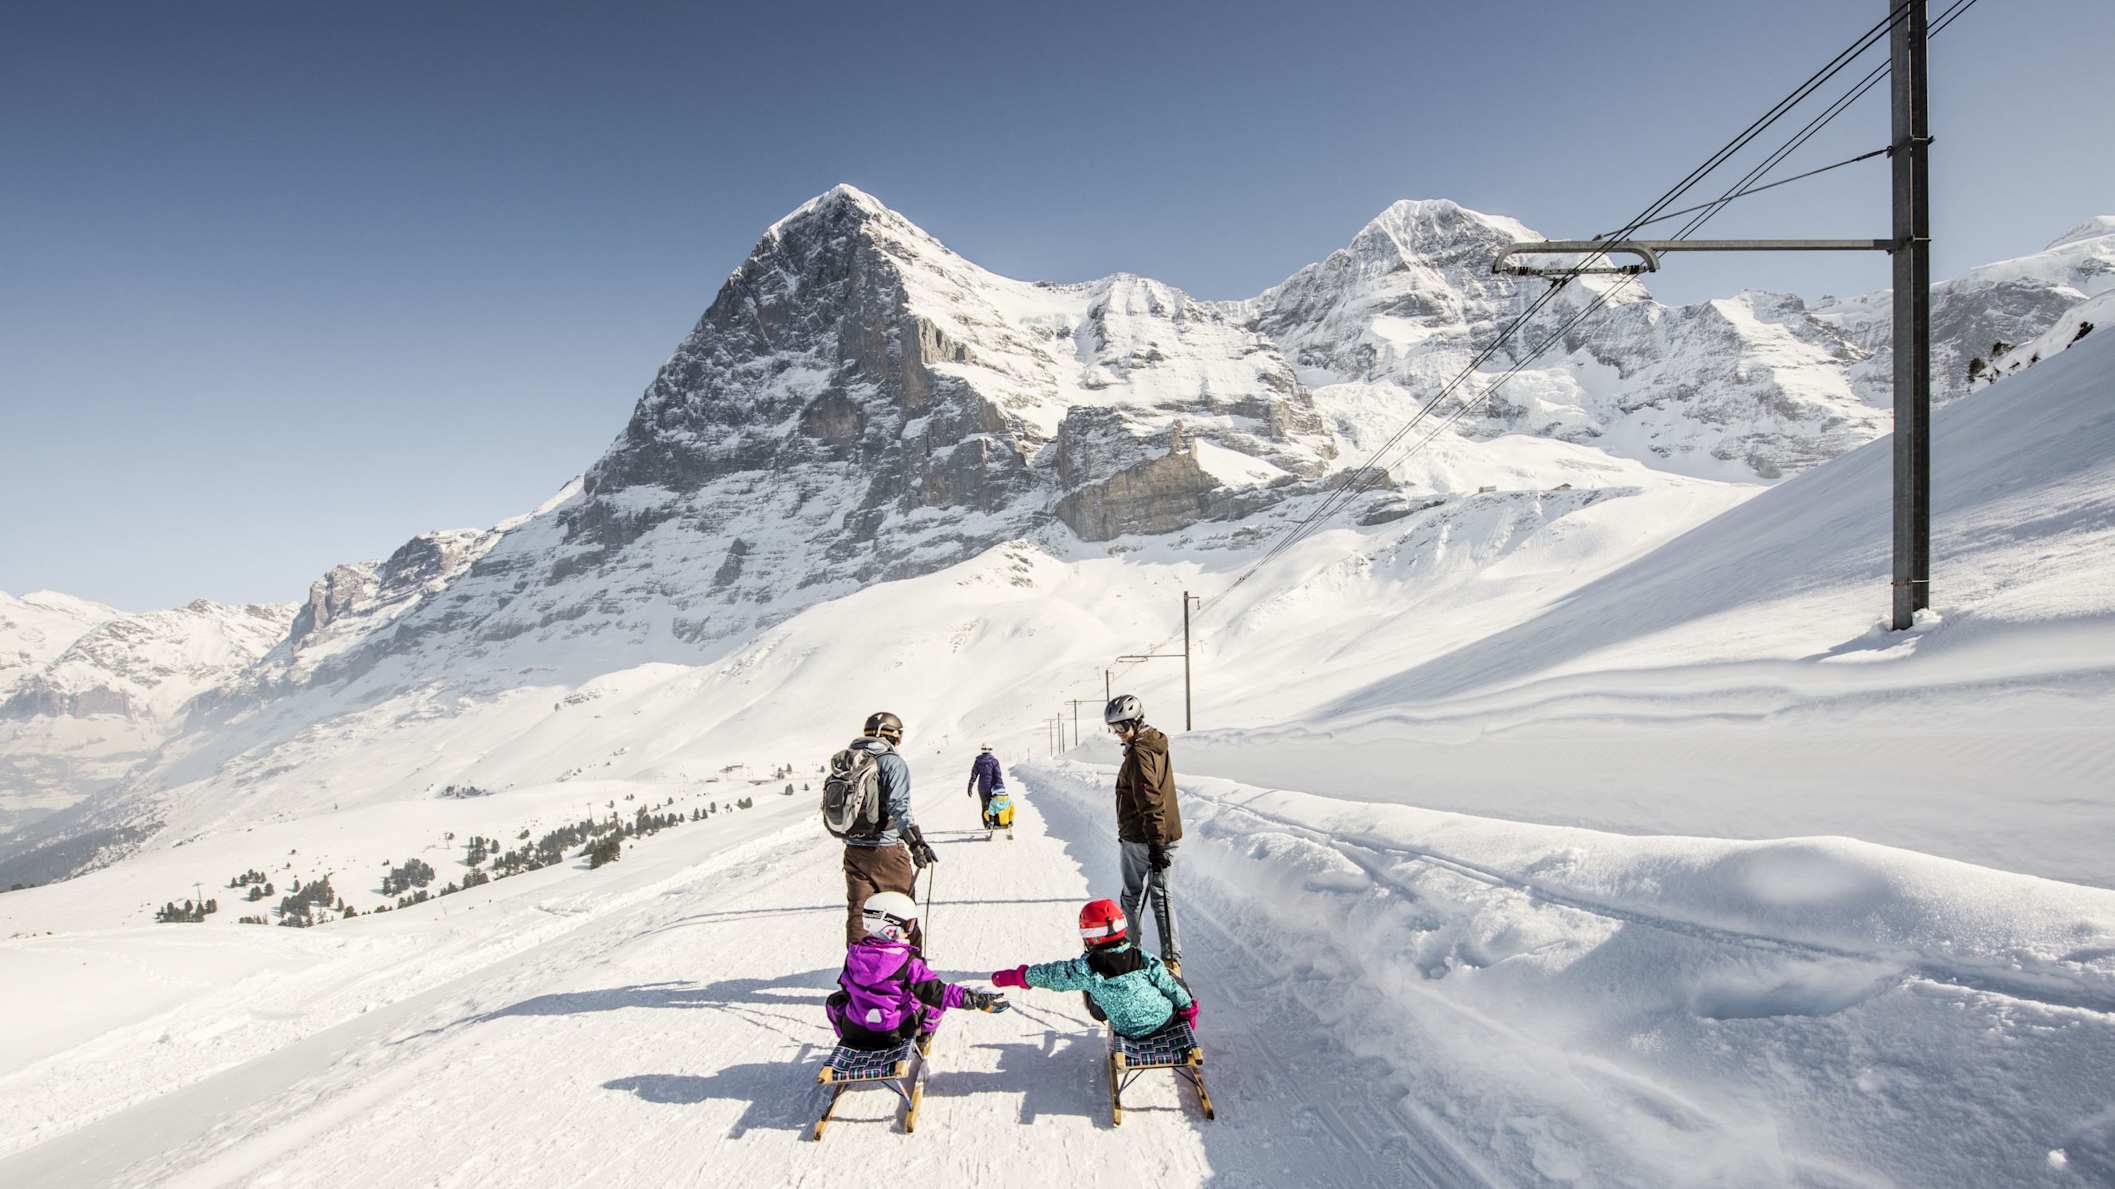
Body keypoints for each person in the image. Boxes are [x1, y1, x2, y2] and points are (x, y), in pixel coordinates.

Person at [828, 892, 1008, 1052]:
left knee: (834, 1001)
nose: (910, 931)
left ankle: (848, 1044)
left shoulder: (853, 955)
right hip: (894, 1033)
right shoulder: (907, 962)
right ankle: (923, 1039)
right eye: (909, 925)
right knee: (933, 1004)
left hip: (855, 1031)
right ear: (891, 928)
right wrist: (974, 999)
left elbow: (846, 987)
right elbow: (939, 993)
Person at [990, 899, 1196, 1039]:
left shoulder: (1086, 968)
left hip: (1128, 1030)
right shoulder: (1143, 957)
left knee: (1090, 986)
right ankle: (1183, 1008)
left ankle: (1111, 1006)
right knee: (1168, 977)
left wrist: (1018, 976)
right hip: (1164, 1020)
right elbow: (1168, 986)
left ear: (1089, 935)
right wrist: (1187, 1008)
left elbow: (1050, 975)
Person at [840, 711, 937, 947]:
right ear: (893, 734)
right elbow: (899, 807)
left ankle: (858, 972)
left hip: (853, 848)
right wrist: (917, 843)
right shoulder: (892, 761)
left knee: (859, 913)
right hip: (886, 850)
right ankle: (911, 971)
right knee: (902, 909)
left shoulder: (849, 759)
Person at [1104, 694, 1182, 975]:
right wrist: (1161, 840)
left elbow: (1150, 798)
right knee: (1162, 896)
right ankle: (1172, 962)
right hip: (1162, 834)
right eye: (1114, 729)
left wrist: (1155, 843)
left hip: (1142, 837)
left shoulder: (1139, 752)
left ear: (1136, 721)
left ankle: (1131, 957)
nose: (1119, 735)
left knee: (1132, 896)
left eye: (1122, 728)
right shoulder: (1156, 744)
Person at [967, 744, 1005, 827]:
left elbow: (974, 774)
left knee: (985, 806)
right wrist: (1001, 787)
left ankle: (987, 824)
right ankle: (996, 823)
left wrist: (970, 785)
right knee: (995, 805)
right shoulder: (994, 761)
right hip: (993, 787)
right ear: (990, 749)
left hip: (982, 788)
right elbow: (998, 775)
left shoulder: (978, 761)